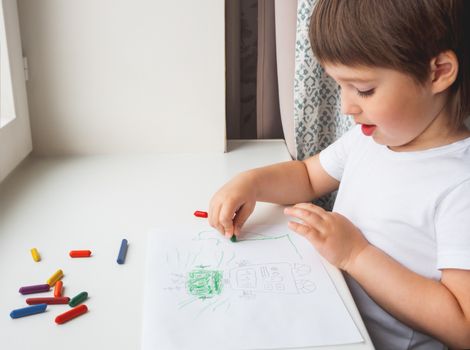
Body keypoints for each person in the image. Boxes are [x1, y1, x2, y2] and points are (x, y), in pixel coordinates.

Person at [208, 0, 470, 348]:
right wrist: (251, 183)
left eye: (363, 89)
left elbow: (462, 326)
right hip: (329, 318)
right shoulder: (370, 139)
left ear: (438, 72)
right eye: (339, 86)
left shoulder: (459, 185)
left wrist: (356, 255)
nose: (347, 107)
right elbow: (307, 175)